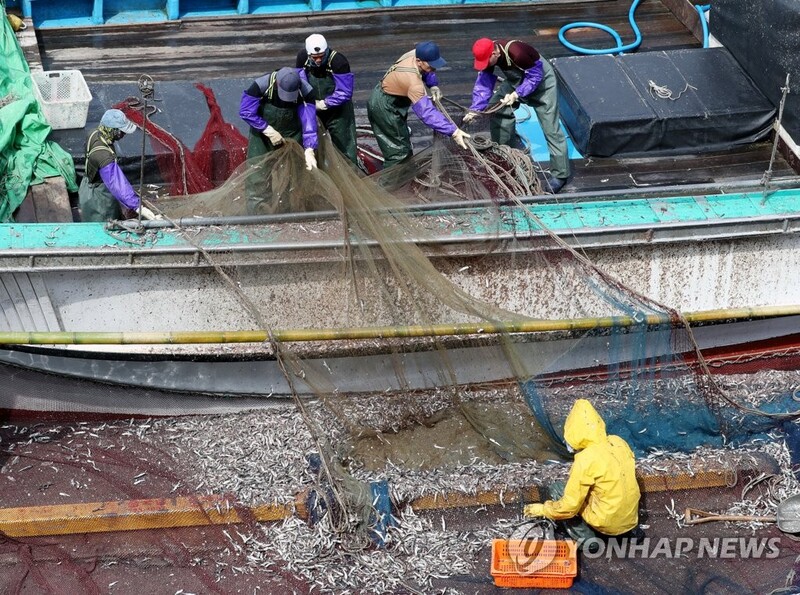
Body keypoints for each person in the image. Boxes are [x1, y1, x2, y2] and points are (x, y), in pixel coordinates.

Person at [524, 399, 640, 545]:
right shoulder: (618, 442)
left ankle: (588, 541)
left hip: (606, 522)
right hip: (630, 519)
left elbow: (569, 507)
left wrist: (542, 509)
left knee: (559, 489)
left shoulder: (585, 459)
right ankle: (630, 532)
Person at [464, 38, 571, 193]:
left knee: (551, 128)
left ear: (494, 53)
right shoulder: (490, 55)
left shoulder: (517, 52)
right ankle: (505, 157)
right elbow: (484, 84)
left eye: (487, 61)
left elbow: (535, 77)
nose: (485, 65)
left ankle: (560, 174)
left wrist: (517, 94)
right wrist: (475, 109)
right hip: (518, 80)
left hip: (542, 81)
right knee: (497, 108)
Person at [367, 41, 470, 169]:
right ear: (419, 61)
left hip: (389, 95)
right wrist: (453, 131)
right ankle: (386, 187)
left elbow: (428, 70)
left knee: (402, 144)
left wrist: (433, 84)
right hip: (385, 107)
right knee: (399, 155)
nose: (434, 68)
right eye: (431, 65)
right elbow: (427, 113)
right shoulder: (413, 83)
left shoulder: (414, 54)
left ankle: (402, 176)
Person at [79, 109, 159, 222]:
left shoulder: (94, 133)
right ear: (112, 130)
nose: (124, 134)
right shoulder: (103, 156)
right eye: (121, 131)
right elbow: (116, 183)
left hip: (88, 183)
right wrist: (138, 207)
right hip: (98, 198)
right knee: (104, 228)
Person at [296, 34, 358, 167]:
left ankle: (350, 177)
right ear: (308, 54)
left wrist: (325, 103)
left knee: (345, 147)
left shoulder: (339, 62)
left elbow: (345, 91)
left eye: (321, 56)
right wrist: (309, 101)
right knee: (313, 143)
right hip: (315, 107)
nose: (318, 60)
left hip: (338, 111)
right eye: (315, 57)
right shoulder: (302, 58)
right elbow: (301, 81)